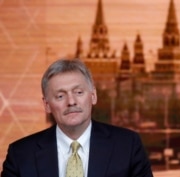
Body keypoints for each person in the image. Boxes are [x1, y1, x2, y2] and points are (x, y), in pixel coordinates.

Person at [1, 59, 153, 177]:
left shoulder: (127, 146)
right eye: (60, 96)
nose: (71, 101)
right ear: (47, 105)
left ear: (93, 96)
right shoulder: (21, 154)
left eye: (78, 92)